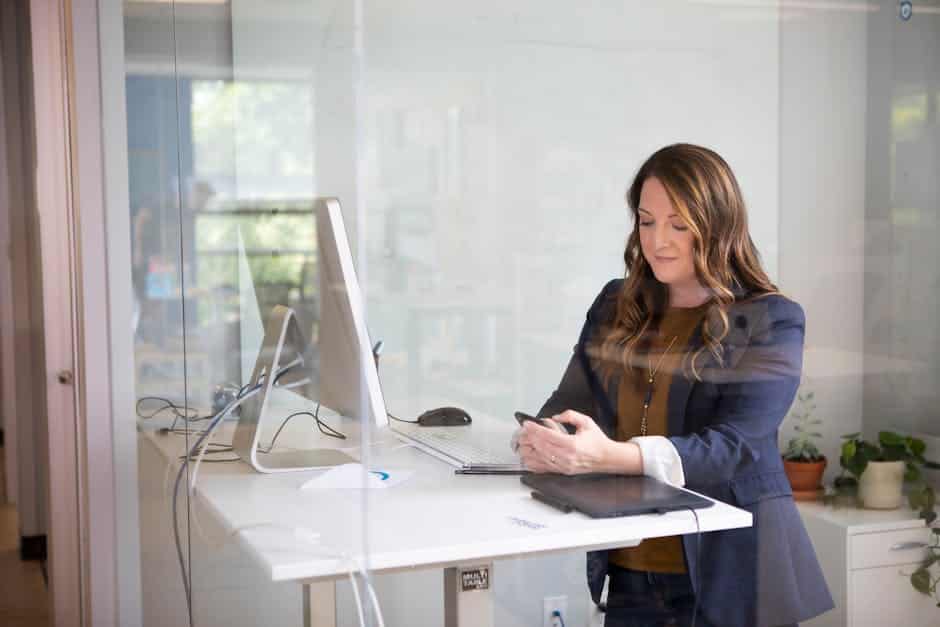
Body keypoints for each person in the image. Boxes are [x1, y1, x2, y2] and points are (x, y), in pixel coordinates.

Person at [515, 144, 833, 627]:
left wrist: (607, 456)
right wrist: (544, 439)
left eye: (678, 224)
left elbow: (735, 446)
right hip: (632, 572)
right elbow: (568, 405)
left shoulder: (772, 319)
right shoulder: (615, 304)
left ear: (717, 224)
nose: (658, 240)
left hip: (734, 577)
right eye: (646, 222)